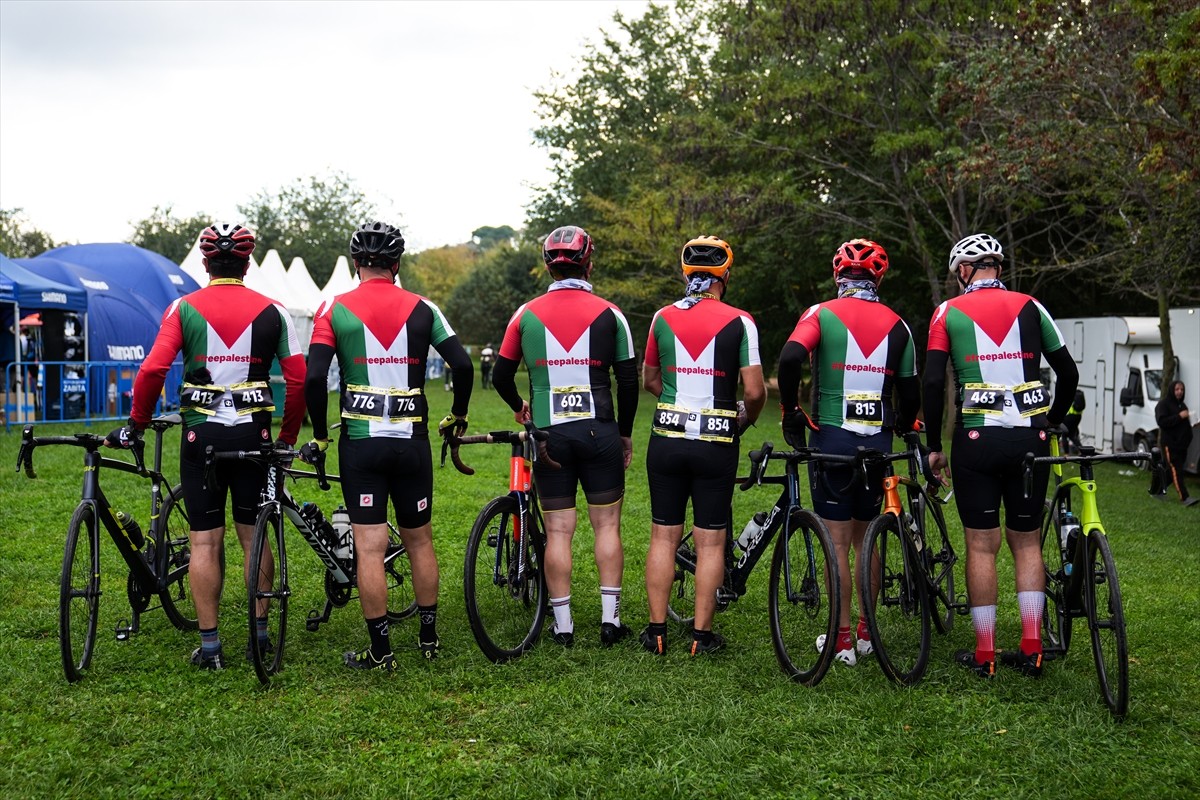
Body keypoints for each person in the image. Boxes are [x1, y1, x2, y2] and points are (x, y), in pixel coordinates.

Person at [106, 223, 306, 670]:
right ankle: (259, 634)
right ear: (247, 264)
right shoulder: (274, 310)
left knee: (204, 541)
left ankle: (211, 646)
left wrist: (136, 424)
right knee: (254, 536)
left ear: (205, 263)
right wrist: (288, 436)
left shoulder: (184, 307)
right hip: (254, 434)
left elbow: (153, 369)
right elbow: (298, 379)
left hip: (202, 438)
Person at [302, 221, 473, 670]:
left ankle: (381, 651)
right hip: (412, 441)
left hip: (362, 443)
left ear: (356, 263)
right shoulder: (423, 308)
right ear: (396, 265)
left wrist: (320, 434)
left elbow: (315, 377)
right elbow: (463, 364)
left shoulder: (333, 307)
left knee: (371, 546)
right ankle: (429, 640)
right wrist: (457, 413)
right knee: (420, 541)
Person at [924, 233, 1078, 679]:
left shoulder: (947, 312)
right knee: (1026, 541)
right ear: (998, 268)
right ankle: (1032, 648)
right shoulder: (1032, 305)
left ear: (966, 270)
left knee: (981, 544)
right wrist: (1052, 419)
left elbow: (934, 384)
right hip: (1030, 436)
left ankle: (985, 652)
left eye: (958, 273)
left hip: (977, 440)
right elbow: (1067, 371)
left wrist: (934, 445)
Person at [491, 225, 639, 648]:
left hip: (549, 435)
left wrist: (520, 406)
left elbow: (501, 374)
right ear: (589, 263)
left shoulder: (525, 313)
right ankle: (610, 622)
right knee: (606, 525)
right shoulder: (612, 313)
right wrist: (625, 434)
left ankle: (564, 624)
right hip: (601, 432)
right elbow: (627, 382)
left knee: (558, 531)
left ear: (547, 266)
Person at [776, 239, 920, 667]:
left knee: (836, 542)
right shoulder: (898, 324)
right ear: (879, 276)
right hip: (877, 441)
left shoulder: (820, 313)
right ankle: (866, 632)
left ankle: (840, 640)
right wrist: (901, 421)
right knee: (866, 537)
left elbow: (789, 358)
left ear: (838, 275)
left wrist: (790, 410)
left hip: (833, 440)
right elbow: (910, 390)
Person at [641, 236, 765, 656]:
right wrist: (743, 417)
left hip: (667, 438)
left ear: (686, 273)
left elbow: (651, 381)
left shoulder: (661, 317)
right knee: (710, 540)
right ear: (724, 276)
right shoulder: (740, 321)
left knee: (663, 536)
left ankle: (656, 631)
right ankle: (700, 636)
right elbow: (753, 390)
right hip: (716, 439)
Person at [1155, 380, 1196, 506]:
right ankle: (1185, 498)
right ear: (1172, 390)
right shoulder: (1163, 405)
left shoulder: (1183, 406)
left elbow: (1185, 425)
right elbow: (1162, 422)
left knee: (1171, 471)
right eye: (1177, 389)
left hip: (1182, 446)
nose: (1179, 392)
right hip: (1170, 444)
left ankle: (1157, 490)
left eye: (1182, 390)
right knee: (1176, 470)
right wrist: (1179, 417)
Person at [1063, 389, 1086, 454]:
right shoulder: (1079, 394)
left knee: (1064, 434)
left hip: (1070, 416)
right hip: (1078, 417)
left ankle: (1066, 453)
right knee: (1072, 435)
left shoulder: (1071, 394)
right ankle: (1082, 450)